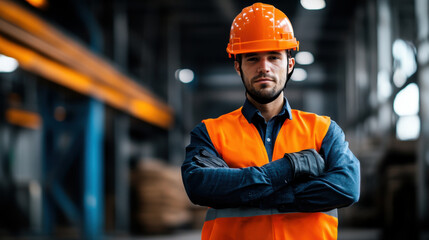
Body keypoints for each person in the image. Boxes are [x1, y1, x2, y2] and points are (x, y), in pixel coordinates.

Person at [181, 3, 360, 240]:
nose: (263, 67)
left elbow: (347, 186)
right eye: (253, 59)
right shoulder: (210, 133)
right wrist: (290, 167)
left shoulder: (323, 130)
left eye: (274, 57)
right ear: (238, 67)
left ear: (289, 65)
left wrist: (252, 191)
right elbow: (199, 185)